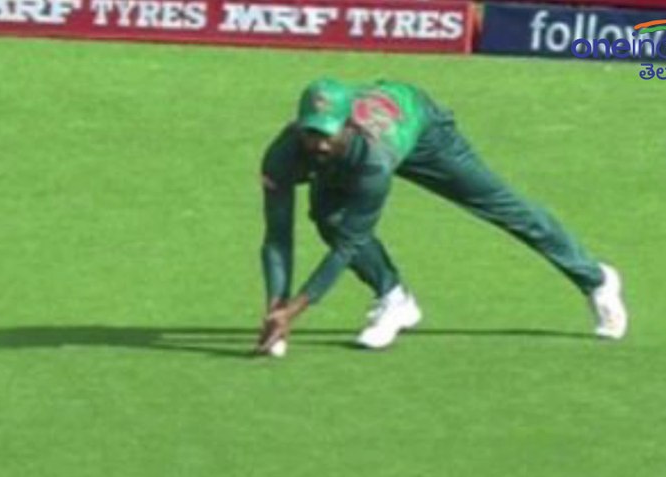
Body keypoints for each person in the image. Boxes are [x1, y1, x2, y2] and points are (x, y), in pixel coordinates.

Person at [255, 78, 627, 356]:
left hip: (424, 134)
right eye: (311, 133)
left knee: (503, 206)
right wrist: (276, 308)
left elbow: (350, 245)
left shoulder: (373, 160)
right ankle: (394, 299)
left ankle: (596, 280)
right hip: (357, 153)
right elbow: (277, 237)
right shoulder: (283, 154)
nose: (319, 143)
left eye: (327, 135)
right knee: (330, 219)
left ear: (347, 125)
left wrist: (295, 311)